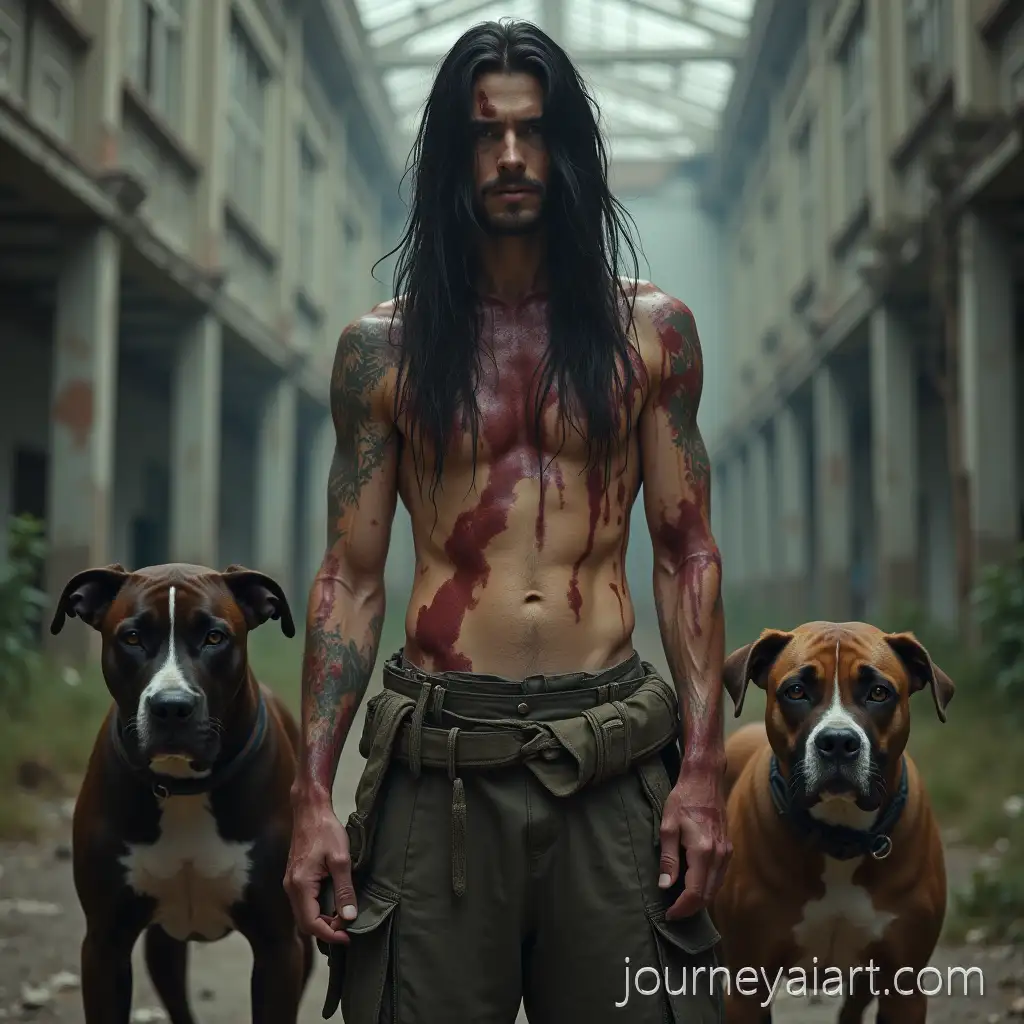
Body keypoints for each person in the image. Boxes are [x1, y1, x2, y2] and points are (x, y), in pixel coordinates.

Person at [284, 17, 730, 1023]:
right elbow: (348, 578)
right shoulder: (381, 353)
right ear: (451, 156)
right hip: (440, 774)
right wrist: (313, 794)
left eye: (534, 132)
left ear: (570, 147)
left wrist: (700, 772)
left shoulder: (652, 334)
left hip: (611, 773)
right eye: (486, 135)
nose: (514, 156)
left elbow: (685, 551)